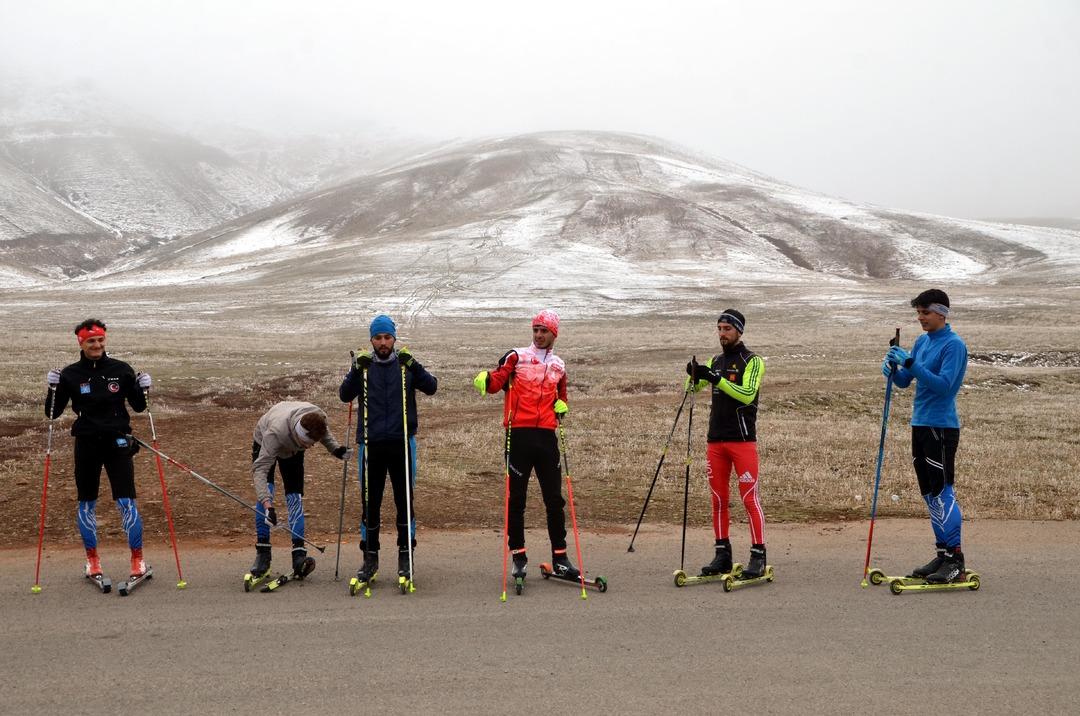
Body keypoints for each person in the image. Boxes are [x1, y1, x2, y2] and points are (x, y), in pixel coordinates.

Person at [472, 309, 577, 583]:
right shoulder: (516, 357)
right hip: (518, 436)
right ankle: (518, 556)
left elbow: (561, 400)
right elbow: (497, 382)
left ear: (554, 334)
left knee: (554, 500)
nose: (539, 335)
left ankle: (561, 558)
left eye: (544, 331)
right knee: (516, 500)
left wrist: (562, 407)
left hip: (546, 438)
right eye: (536, 330)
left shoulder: (559, 366)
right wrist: (485, 379)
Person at [45, 319, 152, 581]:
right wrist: (52, 388)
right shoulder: (70, 374)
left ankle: (137, 560)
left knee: (126, 501)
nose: (97, 345)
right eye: (91, 340)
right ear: (80, 342)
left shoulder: (122, 369)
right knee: (86, 503)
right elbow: (53, 412)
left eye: (100, 339)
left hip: (118, 442)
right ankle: (92, 561)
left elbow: (139, 406)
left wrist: (144, 388)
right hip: (87, 443)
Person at [339, 314, 437, 585]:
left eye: (387, 337)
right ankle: (370, 559)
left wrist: (414, 364)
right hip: (370, 446)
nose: (383, 342)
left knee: (404, 502)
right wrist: (354, 370)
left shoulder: (405, 366)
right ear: (371, 339)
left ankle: (406, 557)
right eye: (378, 338)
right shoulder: (365, 367)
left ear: (394, 338)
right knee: (370, 504)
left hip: (401, 443)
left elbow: (431, 387)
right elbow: (344, 395)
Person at [883, 288, 969, 583]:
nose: (921, 318)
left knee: (943, 490)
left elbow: (944, 385)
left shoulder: (954, 345)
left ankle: (956, 558)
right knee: (929, 492)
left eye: (926, 313)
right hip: (920, 423)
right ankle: (942, 554)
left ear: (941, 313)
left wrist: (911, 364)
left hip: (942, 426)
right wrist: (893, 369)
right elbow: (907, 381)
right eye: (918, 313)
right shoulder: (922, 341)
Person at [685, 309, 768, 579]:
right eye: (719, 329)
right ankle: (722, 553)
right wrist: (695, 375)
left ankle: (757, 555)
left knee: (749, 498)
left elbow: (746, 395)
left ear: (739, 331)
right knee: (718, 499)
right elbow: (693, 390)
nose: (722, 334)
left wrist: (714, 378)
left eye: (727, 329)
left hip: (742, 440)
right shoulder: (716, 360)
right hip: (715, 440)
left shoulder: (752, 361)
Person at [249, 401, 350, 580]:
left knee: (294, 496)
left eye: (311, 444)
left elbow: (323, 435)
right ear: (299, 434)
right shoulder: (274, 433)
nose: (310, 447)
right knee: (268, 491)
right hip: (265, 440)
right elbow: (260, 471)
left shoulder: (318, 417)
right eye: (307, 443)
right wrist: (268, 505)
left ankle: (298, 555)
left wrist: (336, 450)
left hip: (292, 450)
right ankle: (263, 554)